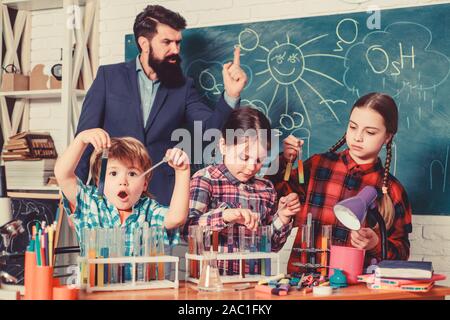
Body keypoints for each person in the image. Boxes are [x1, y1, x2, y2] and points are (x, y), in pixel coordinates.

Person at [75, 5, 247, 205]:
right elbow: (85, 138)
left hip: (161, 195)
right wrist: (75, 196)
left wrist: (231, 95)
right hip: (112, 190)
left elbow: (210, 129)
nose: (175, 50)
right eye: (167, 42)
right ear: (144, 43)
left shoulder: (183, 87)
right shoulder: (108, 77)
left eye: (178, 43)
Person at [267, 92, 412, 272]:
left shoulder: (391, 190)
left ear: (387, 137)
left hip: (355, 290)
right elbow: (269, 196)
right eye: (353, 127)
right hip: (304, 283)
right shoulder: (318, 165)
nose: (358, 137)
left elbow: (402, 253)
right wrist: (284, 160)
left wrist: (376, 243)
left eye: (370, 132)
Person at [184, 107, 300, 275]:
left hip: (254, 283)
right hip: (212, 283)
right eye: (244, 157)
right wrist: (224, 216)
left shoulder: (266, 189)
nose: (252, 166)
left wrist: (282, 217)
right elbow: (187, 231)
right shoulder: (206, 179)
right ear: (223, 145)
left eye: (260, 159)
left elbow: (272, 246)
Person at [54, 128, 190, 258]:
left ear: (145, 184)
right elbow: (62, 174)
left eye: (132, 173)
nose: (123, 181)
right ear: (98, 181)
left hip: (141, 283)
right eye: (113, 173)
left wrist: (182, 171)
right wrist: (81, 139)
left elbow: (176, 217)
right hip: (96, 282)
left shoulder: (149, 210)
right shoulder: (90, 202)